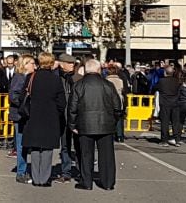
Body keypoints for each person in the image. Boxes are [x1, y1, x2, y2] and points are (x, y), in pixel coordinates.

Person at [68, 59, 123, 191]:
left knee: (86, 155)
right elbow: (117, 106)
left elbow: (72, 108)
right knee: (107, 155)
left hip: (84, 124)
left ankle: (86, 182)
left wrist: (72, 125)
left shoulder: (78, 85)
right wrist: (114, 121)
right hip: (106, 124)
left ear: (86, 70)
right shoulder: (108, 85)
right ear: (99, 70)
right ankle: (108, 182)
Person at [23, 53, 66, 187]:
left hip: (33, 116)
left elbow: (23, 97)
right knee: (47, 148)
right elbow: (62, 102)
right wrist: (56, 112)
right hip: (50, 117)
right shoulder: (56, 80)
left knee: (35, 147)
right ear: (52, 63)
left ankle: (36, 178)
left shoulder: (31, 77)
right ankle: (44, 178)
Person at [9, 54, 35, 184]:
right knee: (20, 144)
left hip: (23, 114)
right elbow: (13, 95)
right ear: (24, 64)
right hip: (19, 115)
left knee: (24, 144)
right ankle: (21, 172)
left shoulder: (27, 77)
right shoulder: (19, 78)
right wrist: (25, 103)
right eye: (31, 63)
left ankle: (23, 170)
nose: (34, 66)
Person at [55, 53, 78, 183]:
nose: (72, 66)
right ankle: (66, 172)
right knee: (65, 146)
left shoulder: (77, 78)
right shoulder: (56, 77)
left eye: (73, 64)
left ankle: (79, 170)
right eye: (70, 63)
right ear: (62, 64)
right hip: (62, 117)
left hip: (75, 117)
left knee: (78, 145)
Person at [156, 66, 181, 146]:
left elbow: (155, 88)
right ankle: (177, 140)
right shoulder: (177, 81)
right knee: (175, 122)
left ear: (165, 72)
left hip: (165, 103)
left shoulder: (161, 81)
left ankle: (164, 140)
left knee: (165, 122)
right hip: (175, 103)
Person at [105, 63, 126, 142]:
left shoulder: (106, 80)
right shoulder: (120, 80)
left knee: (110, 118)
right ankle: (120, 136)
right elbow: (123, 90)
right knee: (119, 118)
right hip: (119, 99)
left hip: (109, 100)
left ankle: (111, 135)